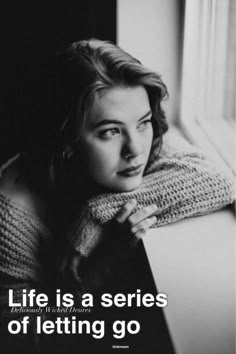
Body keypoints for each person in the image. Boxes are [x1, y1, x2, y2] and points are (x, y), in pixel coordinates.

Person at [0, 38, 234, 354]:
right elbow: (26, 339)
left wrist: (96, 214)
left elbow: (217, 180)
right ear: (66, 138)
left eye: (143, 124)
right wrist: (99, 272)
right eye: (111, 131)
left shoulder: (131, 149)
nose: (135, 149)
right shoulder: (9, 217)